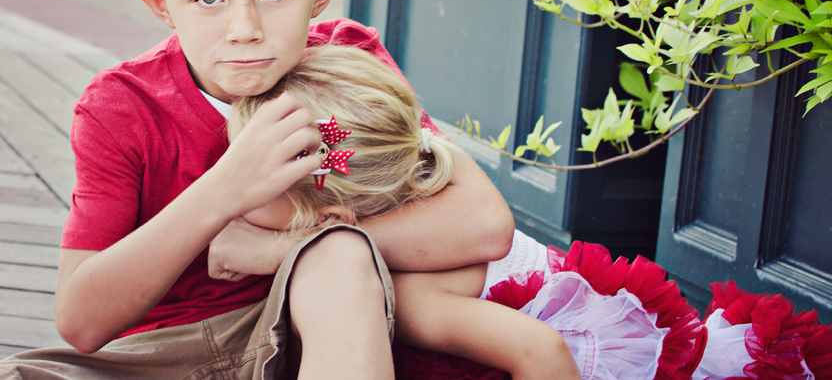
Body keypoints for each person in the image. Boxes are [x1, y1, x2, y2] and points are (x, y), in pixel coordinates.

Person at [0, 0, 514, 380]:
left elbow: (482, 224)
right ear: (160, 3)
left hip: (313, 329)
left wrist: (282, 248)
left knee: (337, 256)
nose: (244, 28)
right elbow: (81, 321)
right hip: (163, 354)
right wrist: (226, 188)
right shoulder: (121, 106)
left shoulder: (347, 59)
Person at [222, 47, 832, 380]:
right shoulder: (428, 169)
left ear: (330, 206)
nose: (239, 191)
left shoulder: (416, 292)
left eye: (258, 176)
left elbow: (540, 353)